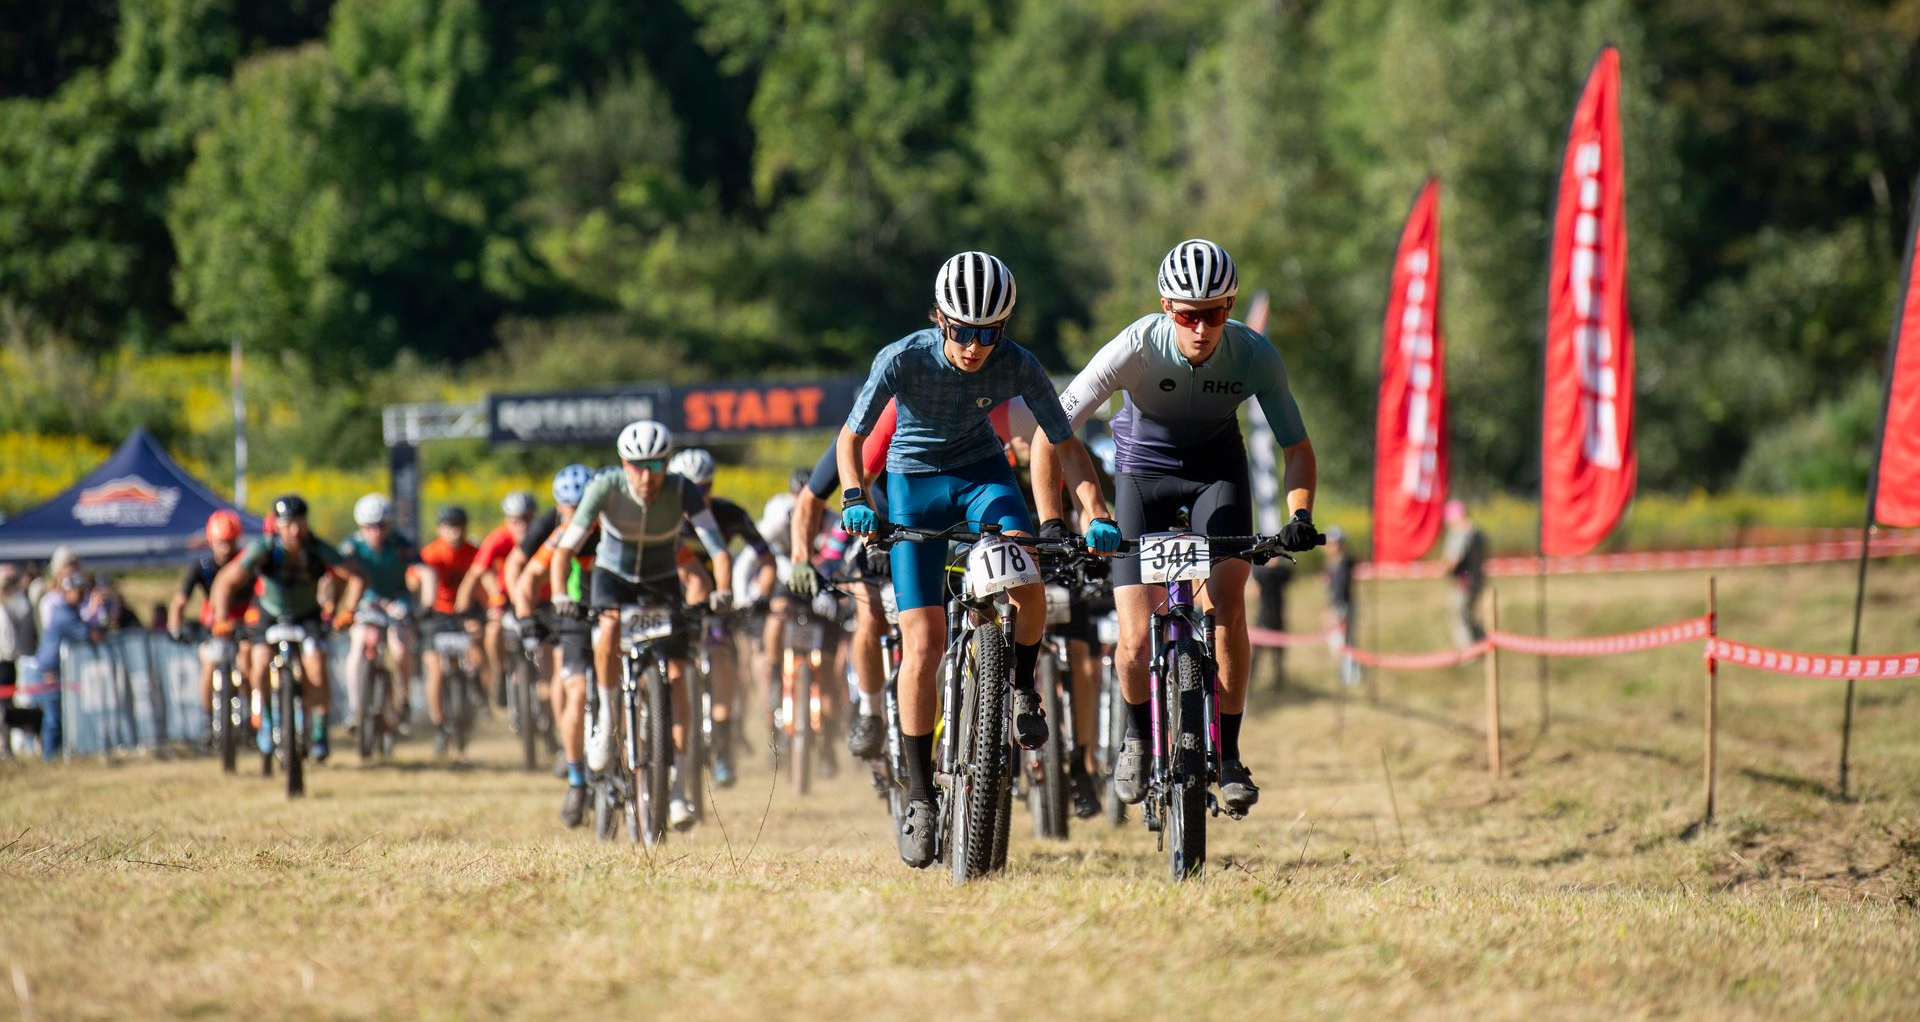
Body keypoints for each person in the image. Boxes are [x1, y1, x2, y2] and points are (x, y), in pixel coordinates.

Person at [837, 250, 1119, 868]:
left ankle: (1021, 687)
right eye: (962, 331)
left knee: (1026, 566)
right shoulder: (902, 357)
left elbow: (1065, 444)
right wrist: (857, 496)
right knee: (924, 642)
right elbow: (851, 439)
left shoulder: (1019, 364)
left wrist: (1094, 509)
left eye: (987, 333)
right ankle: (918, 794)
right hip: (914, 484)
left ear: (1004, 328)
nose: (973, 346)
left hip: (982, 476)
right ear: (940, 319)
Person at [1032, 238, 1321, 819]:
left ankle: (1232, 755)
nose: (1201, 328)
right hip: (1144, 474)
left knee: (1229, 608)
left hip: (1218, 475)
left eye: (1214, 314)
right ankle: (1138, 737)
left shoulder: (1254, 354)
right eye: (1188, 314)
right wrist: (1060, 519)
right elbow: (1050, 433)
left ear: (1230, 308)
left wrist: (1299, 516)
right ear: (1167, 309)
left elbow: (1297, 447)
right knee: (1136, 638)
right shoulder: (1136, 346)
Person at [548, 422, 734, 832]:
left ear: (667, 463)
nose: (646, 477)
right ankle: (608, 719)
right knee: (609, 628)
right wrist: (560, 592)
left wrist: (723, 590)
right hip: (612, 575)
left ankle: (681, 788)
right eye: (637, 466)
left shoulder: (681, 489)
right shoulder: (606, 487)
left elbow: (718, 549)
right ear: (623, 464)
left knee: (680, 674)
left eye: (655, 465)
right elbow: (565, 549)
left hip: (661, 580)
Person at [212, 494, 367, 762]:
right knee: (259, 663)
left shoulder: (317, 548)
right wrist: (222, 618)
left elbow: (356, 576)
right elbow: (226, 581)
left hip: (307, 615)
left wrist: (348, 611)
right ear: (277, 525)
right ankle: (268, 722)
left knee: (316, 666)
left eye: (299, 523)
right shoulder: (264, 548)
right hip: (269, 613)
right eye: (288, 524)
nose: (294, 530)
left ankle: (319, 731)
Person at [666, 447, 775, 787]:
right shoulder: (662, 515)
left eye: (704, 488)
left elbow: (766, 558)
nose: (697, 496)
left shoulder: (729, 514)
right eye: (688, 488)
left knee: (722, 657)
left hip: (719, 602)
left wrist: (759, 597)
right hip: (675, 596)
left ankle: (724, 749)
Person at [514, 464, 598, 827]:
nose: (577, 515)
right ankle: (576, 776)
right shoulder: (557, 532)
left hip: (617, 616)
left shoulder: (619, 527)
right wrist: (525, 617)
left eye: (585, 506)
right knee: (575, 691)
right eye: (570, 506)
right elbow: (527, 574)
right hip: (574, 617)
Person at [340, 493, 431, 739]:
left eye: (380, 526)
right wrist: (331, 607)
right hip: (366, 602)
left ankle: (403, 701)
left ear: (388, 525)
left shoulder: (401, 545)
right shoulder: (351, 547)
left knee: (400, 648)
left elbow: (425, 572)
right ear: (361, 527)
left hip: (397, 600)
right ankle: (356, 709)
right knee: (357, 648)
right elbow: (333, 574)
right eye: (369, 527)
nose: (375, 532)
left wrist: (426, 605)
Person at [168, 510, 254, 738]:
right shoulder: (201, 566)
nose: (224, 548)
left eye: (229, 542)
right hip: (214, 619)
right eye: (219, 543)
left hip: (244, 618)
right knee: (208, 662)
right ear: (210, 542)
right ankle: (208, 718)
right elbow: (179, 602)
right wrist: (175, 628)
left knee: (247, 662)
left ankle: (250, 711)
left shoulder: (248, 563)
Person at [457, 491, 538, 705]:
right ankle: (500, 671)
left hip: (536, 597)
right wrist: (490, 593)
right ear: (506, 520)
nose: (521, 526)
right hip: (505, 597)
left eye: (526, 519)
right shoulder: (498, 539)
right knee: (494, 627)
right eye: (515, 521)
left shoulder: (542, 535)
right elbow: (479, 570)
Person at [420, 505, 480, 757]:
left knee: (479, 651)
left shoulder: (474, 552)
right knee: (434, 669)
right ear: (439, 529)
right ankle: (439, 724)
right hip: (436, 614)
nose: (454, 531)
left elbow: (483, 581)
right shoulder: (431, 552)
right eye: (448, 526)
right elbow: (416, 577)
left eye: (458, 525)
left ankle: (480, 694)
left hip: (466, 612)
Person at [28, 573, 101, 760]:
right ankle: (50, 758)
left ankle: (58, 754)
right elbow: (88, 634)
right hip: (50, 671)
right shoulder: (63, 613)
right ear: (66, 592)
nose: (80, 595)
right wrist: (93, 611)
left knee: (60, 715)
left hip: (57, 669)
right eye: (76, 591)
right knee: (54, 717)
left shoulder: (69, 611)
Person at [1442, 499, 1488, 647]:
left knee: (1460, 616)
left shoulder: (1460, 533)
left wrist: (1444, 567)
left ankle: (1469, 650)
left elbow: (1453, 560)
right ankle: (1484, 641)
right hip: (1478, 579)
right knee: (1468, 615)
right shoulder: (1477, 533)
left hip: (1464, 581)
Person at [1322, 527, 1360, 687]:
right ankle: (1348, 676)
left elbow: (1340, 590)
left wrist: (1334, 610)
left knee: (1343, 643)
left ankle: (1350, 678)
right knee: (1342, 643)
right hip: (1338, 606)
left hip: (1341, 607)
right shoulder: (1333, 564)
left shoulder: (1343, 563)